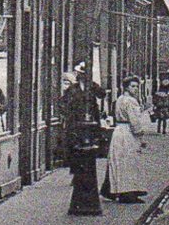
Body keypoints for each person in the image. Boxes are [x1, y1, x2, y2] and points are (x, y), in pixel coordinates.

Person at [102, 76, 153, 203]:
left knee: (119, 162)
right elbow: (134, 121)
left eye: (137, 86)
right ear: (126, 87)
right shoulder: (131, 101)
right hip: (127, 132)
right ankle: (128, 193)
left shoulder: (119, 99)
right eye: (132, 86)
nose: (135, 89)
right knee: (129, 162)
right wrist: (140, 136)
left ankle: (116, 190)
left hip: (118, 131)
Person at [60, 72, 105, 216]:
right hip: (76, 126)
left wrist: (94, 86)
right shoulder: (72, 90)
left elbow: (102, 94)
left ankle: (79, 181)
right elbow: (63, 105)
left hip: (90, 126)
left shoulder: (92, 88)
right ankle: (75, 174)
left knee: (86, 153)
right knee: (76, 150)